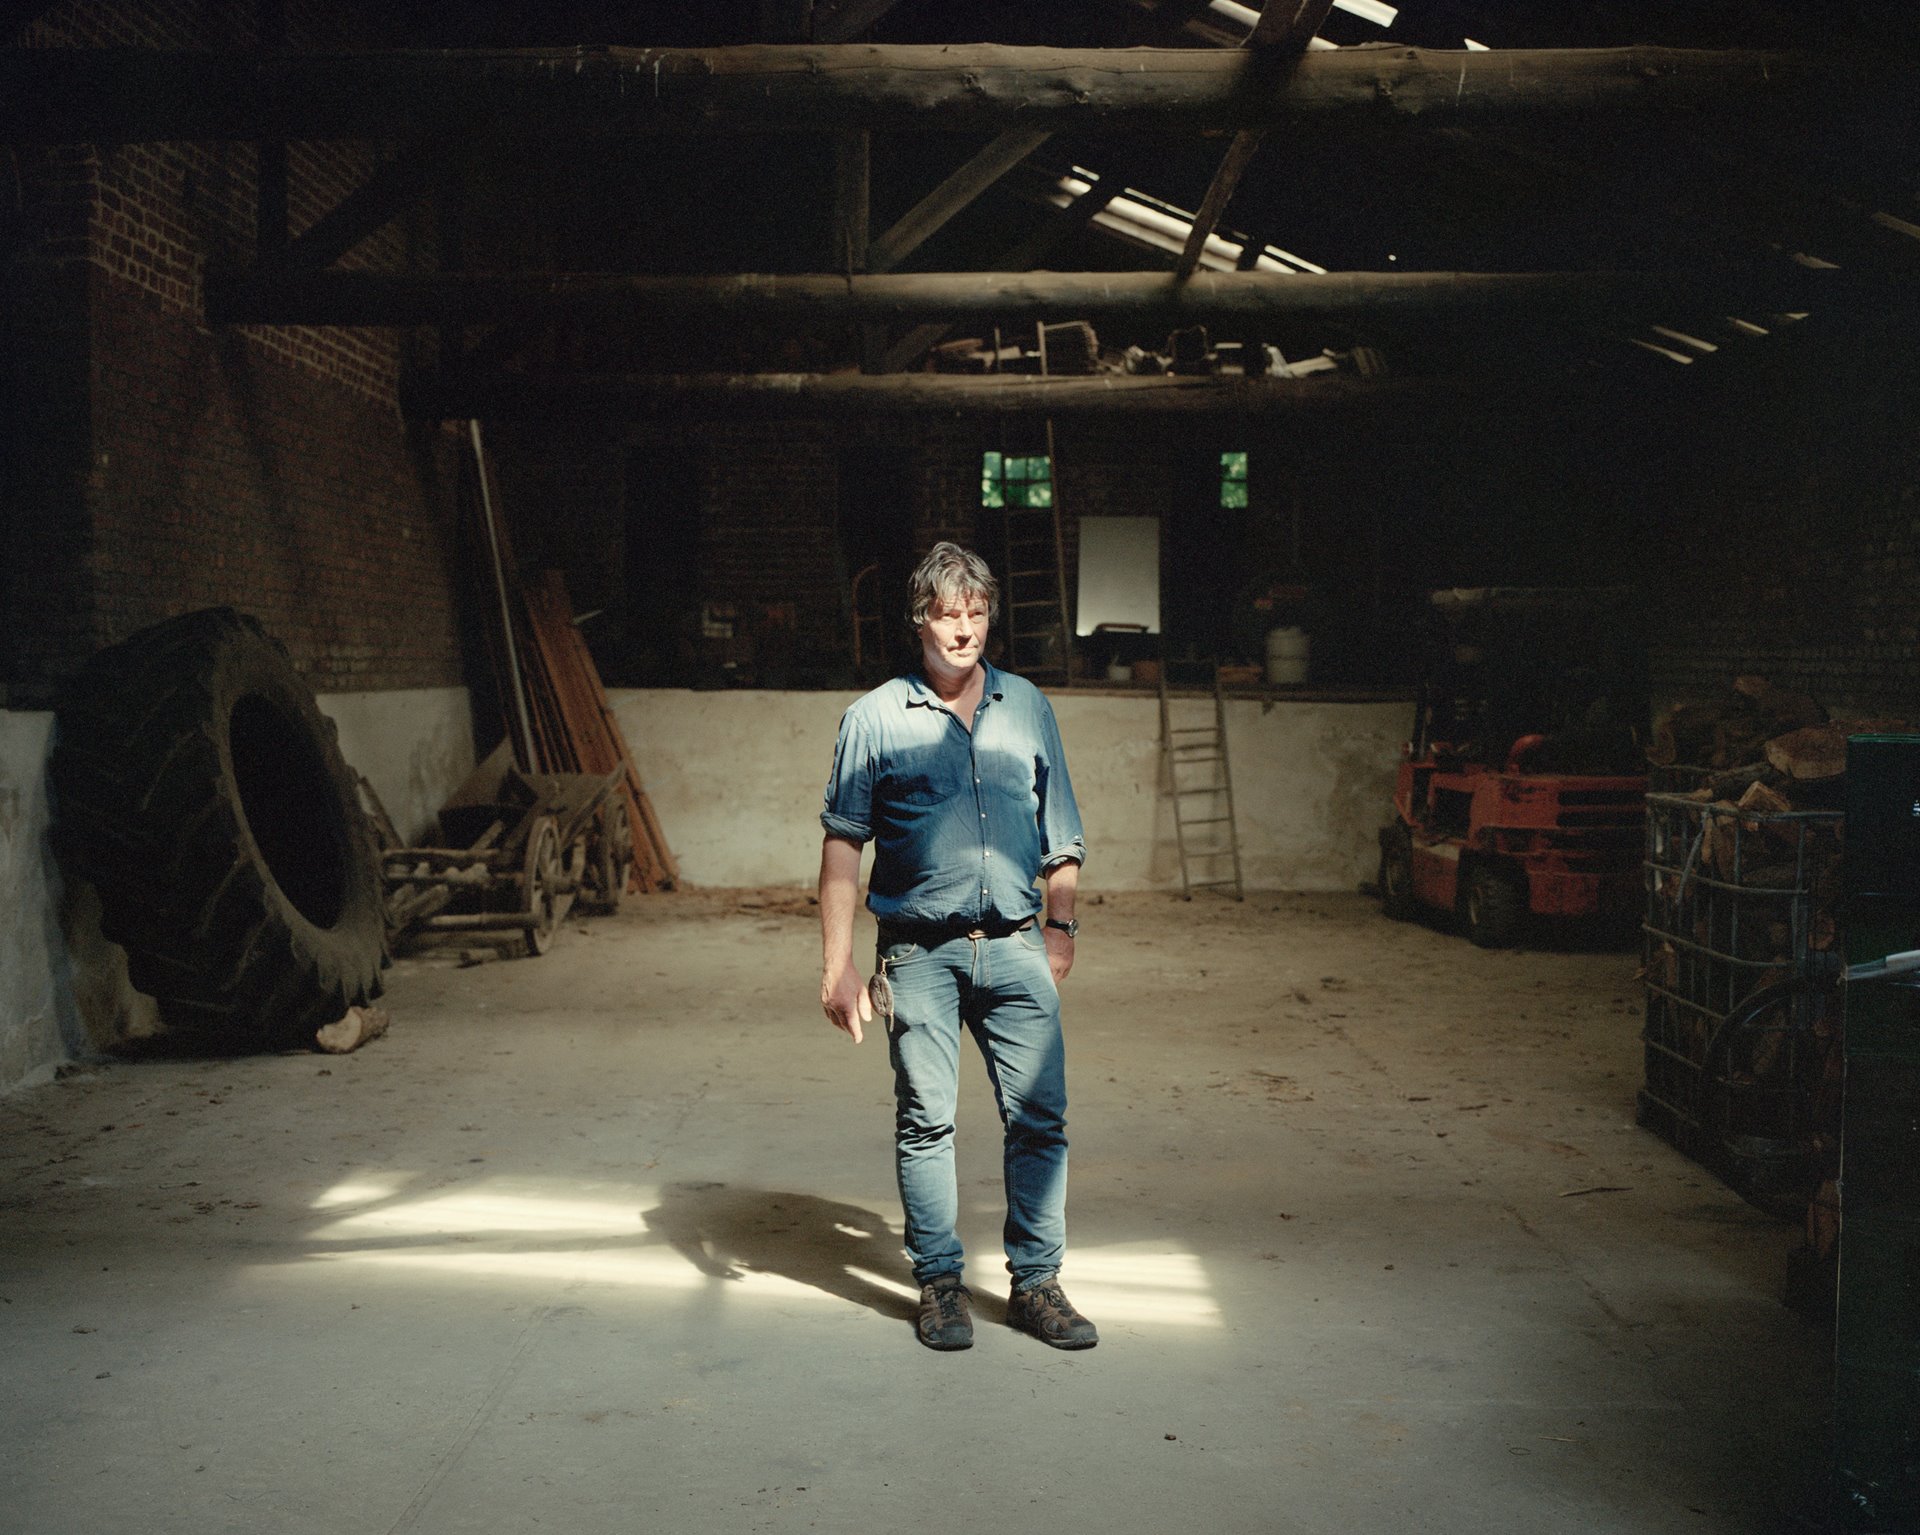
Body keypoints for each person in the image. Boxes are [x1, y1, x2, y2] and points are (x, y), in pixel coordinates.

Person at [817, 541, 1095, 1352]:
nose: (964, 628)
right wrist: (835, 966)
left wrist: (1060, 925)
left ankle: (1037, 1283)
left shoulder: (1028, 707)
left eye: (976, 613)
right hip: (918, 954)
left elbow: (1063, 832)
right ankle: (939, 1283)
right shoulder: (872, 719)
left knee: (1040, 1118)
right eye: (948, 613)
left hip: (1016, 947)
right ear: (920, 620)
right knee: (925, 1120)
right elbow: (842, 850)